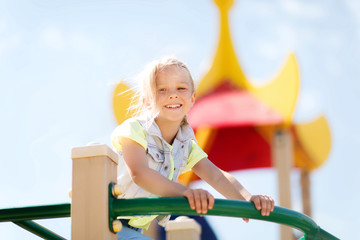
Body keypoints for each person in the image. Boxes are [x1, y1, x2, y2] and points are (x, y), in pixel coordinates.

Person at [111, 57, 275, 240]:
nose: (173, 95)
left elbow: (217, 176)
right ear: (147, 102)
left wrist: (247, 199)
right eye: (162, 90)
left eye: (181, 88)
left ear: (192, 98)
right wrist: (185, 192)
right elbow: (140, 173)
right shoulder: (135, 129)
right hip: (108, 222)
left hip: (133, 230)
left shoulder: (185, 144)